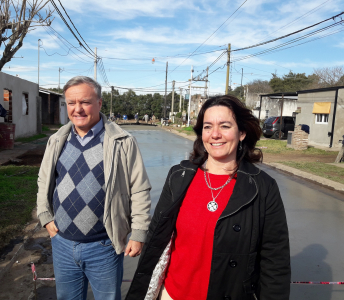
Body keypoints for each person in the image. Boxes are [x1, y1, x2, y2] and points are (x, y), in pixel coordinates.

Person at [126, 95, 290, 300]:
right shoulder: (179, 176)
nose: (215, 134)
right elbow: (156, 239)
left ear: (242, 133)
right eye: (207, 126)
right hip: (172, 294)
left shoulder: (262, 187)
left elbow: (275, 261)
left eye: (224, 126)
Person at [37, 76, 151, 300]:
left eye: (85, 102)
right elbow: (43, 181)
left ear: (99, 103)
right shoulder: (57, 140)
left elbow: (138, 189)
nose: (77, 109)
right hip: (62, 243)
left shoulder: (122, 141)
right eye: (71, 103)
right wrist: (45, 217)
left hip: (103, 246)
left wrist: (138, 233)